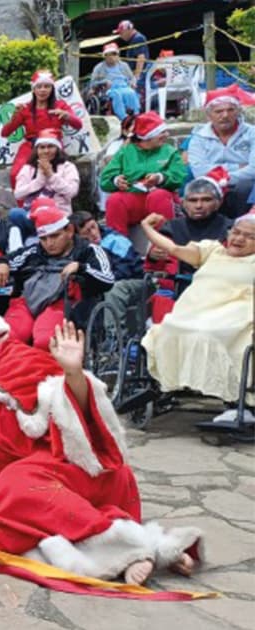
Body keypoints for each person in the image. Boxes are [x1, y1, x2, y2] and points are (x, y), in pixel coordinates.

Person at [0, 298, 202, 585]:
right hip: (29, 491)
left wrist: (73, 373)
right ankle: (149, 547)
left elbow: (80, 416)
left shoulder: (19, 359)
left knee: (7, 493)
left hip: (76, 470)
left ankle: (130, 550)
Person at [140, 211, 255, 407]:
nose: (239, 239)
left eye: (250, 236)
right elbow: (173, 248)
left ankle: (234, 399)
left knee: (209, 334)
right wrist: (146, 227)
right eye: (236, 232)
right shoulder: (211, 250)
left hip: (234, 314)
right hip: (194, 310)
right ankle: (170, 384)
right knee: (169, 330)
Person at [0, 206, 115, 348]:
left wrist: (81, 268)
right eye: (43, 238)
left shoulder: (91, 251)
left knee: (45, 341)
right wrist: (0, 263)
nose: (49, 243)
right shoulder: (35, 251)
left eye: (55, 236)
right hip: (27, 301)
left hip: (64, 304)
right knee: (6, 337)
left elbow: (108, 279)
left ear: (69, 231)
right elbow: (8, 259)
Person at [100, 111, 185, 235]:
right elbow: (105, 179)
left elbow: (179, 177)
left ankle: (165, 243)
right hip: (133, 199)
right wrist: (116, 180)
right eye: (161, 132)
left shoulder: (170, 152)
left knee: (158, 195)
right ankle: (118, 246)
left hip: (161, 201)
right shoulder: (125, 152)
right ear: (148, 136)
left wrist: (160, 178)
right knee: (115, 200)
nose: (166, 135)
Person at [0, 70, 83, 188]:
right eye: (39, 86)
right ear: (33, 89)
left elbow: (78, 125)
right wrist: (15, 115)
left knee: (58, 176)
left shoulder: (60, 106)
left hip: (53, 146)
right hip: (31, 147)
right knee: (16, 174)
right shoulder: (25, 109)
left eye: (47, 86)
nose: (43, 90)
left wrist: (66, 115)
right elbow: (5, 132)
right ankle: (25, 206)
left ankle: (56, 205)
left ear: (52, 89)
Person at [187, 86, 255, 219]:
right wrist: (236, 167)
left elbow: (253, 170)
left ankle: (238, 227)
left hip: (245, 184)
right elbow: (199, 171)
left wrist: (221, 177)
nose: (225, 115)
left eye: (230, 110)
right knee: (199, 191)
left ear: (237, 112)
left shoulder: (252, 133)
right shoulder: (198, 137)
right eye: (219, 111)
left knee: (244, 187)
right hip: (209, 182)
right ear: (209, 115)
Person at [13, 129, 80, 213]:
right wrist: (38, 181)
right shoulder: (28, 168)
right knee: (15, 213)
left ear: (57, 149)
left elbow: (71, 192)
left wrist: (51, 175)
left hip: (58, 214)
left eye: (50, 146)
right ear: (37, 150)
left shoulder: (68, 167)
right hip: (31, 213)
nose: (46, 151)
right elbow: (18, 194)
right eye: (42, 147)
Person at [90, 43, 141, 120]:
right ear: (105, 56)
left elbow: (131, 78)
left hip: (124, 86)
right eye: (108, 54)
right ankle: (123, 117)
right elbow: (93, 83)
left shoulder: (124, 65)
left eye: (114, 54)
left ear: (118, 55)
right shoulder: (99, 68)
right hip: (109, 89)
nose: (111, 57)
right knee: (116, 95)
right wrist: (104, 82)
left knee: (131, 93)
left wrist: (133, 82)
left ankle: (135, 115)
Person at [115, 20, 150, 87]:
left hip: (141, 75)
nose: (120, 36)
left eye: (121, 33)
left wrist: (136, 77)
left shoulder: (138, 38)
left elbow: (141, 58)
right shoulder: (133, 40)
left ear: (128, 30)